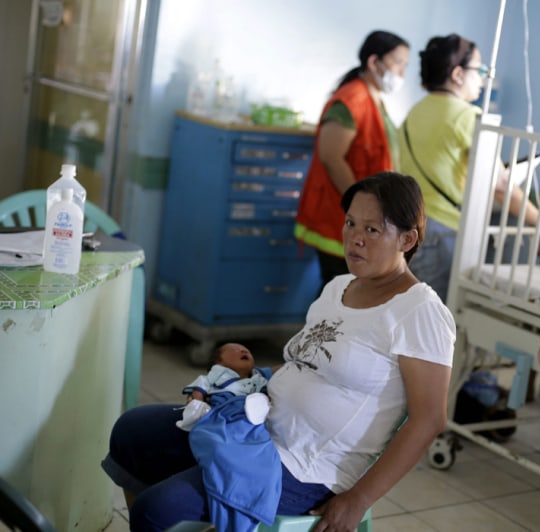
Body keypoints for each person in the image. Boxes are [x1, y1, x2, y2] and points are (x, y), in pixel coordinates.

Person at [101, 172, 455, 532]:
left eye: (373, 230)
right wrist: (242, 381)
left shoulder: (419, 312)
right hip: (256, 429)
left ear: (407, 239)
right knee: (133, 432)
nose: (355, 239)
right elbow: (308, 363)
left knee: (158, 509)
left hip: (305, 468)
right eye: (350, 223)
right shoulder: (339, 287)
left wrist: (359, 498)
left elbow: (429, 418)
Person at [399, 33, 540, 302]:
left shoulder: (414, 112)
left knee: (415, 313)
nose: (484, 77)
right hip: (445, 233)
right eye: (480, 69)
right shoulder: (468, 116)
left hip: (412, 227)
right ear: (457, 74)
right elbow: (500, 185)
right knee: (438, 322)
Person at [295, 30, 410, 289]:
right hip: (340, 217)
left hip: (361, 218)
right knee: (339, 295)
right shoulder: (352, 100)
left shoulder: (373, 99)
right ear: (373, 62)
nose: (402, 71)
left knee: (345, 295)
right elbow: (331, 157)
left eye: (405, 64)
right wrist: (361, 206)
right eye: (398, 62)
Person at [175, 342, 274, 431]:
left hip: (255, 415)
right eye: (235, 350)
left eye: (247, 350)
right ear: (219, 361)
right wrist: (197, 401)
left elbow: (281, 370)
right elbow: (203, 382)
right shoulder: (219, 372)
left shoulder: (258, 374)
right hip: (225, 406)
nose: (243, 351)